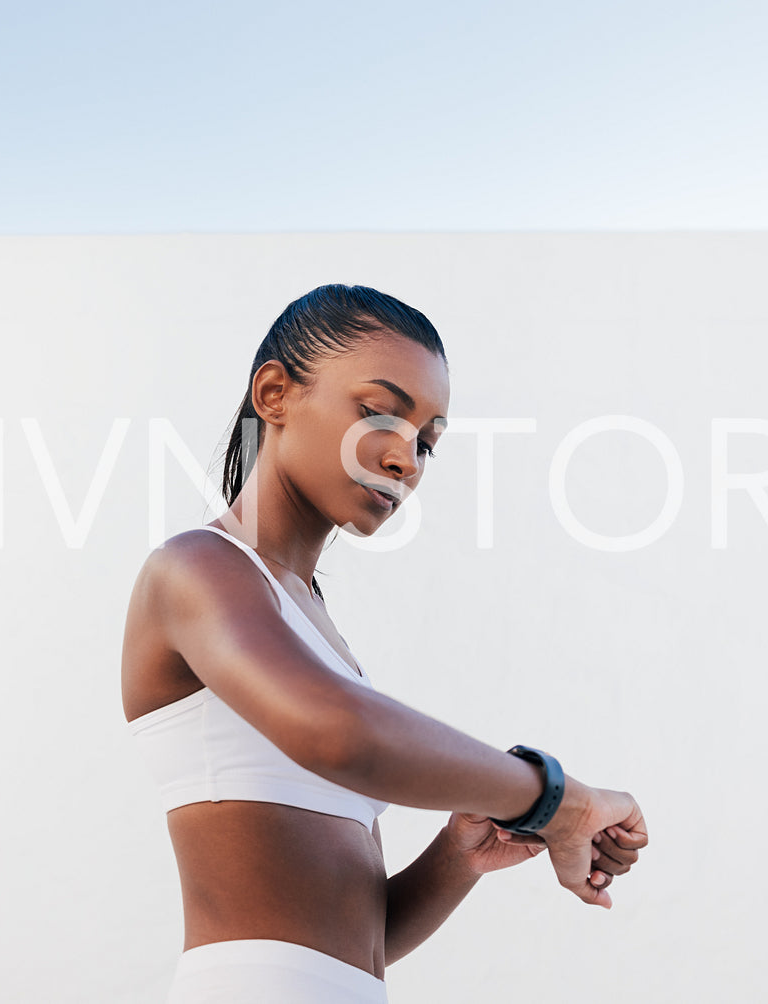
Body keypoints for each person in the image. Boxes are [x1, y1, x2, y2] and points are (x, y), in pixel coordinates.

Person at [121, 283, 649, 1003]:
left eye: (427, 441)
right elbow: (340, 735)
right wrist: (553, 799)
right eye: (377, 411)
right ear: (274, 393)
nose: (406, 459)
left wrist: (456, 857)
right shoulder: (198, 569)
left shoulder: (314, 624)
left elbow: (353, 946)